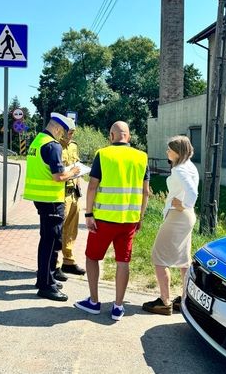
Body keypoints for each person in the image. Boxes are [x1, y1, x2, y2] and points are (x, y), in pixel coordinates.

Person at [74, 121, 150, 321]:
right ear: (129, 136)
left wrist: (89, 214)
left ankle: (94, 302)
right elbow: (146, 192)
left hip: (104, 220)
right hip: (129, 221)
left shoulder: (103, 154)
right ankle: (117, 307)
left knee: (92, 257)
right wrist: (140, 217)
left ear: (111, 135)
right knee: (123, 261)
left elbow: (92, 187)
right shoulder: (142, 157)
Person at [23, 112, 80, 302]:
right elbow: (58, 176)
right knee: (50, 242)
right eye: (63, 131)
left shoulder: (37, 141)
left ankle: (44, 279)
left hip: (40, 199)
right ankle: (47, 285)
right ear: (56, 127)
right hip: (52, 200)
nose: (63, 135)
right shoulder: (52, 145)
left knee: (46, 240)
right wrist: (72, 172)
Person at [142, 135, 199, 315]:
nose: (167, 152)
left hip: (178, 216)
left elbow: (193, 192)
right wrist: (187, 206)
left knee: (159, 256)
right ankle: (183, 299)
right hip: (186, 217)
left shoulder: (180, 169)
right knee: (183, 260)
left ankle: (164, 301)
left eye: (169, 149)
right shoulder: (190, 166)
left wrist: (184, 204)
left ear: (177, 152)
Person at [57, 126, 86, 277]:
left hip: (73, 193)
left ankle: (68, 262)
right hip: (60, 193)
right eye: (68, 131)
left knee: (71, 230)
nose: (70, 135)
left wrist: (79, 187)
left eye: (73, 132)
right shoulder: (55, 145)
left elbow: (77, 167)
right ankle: (54, 266)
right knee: (58, 231)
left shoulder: (74, 145)